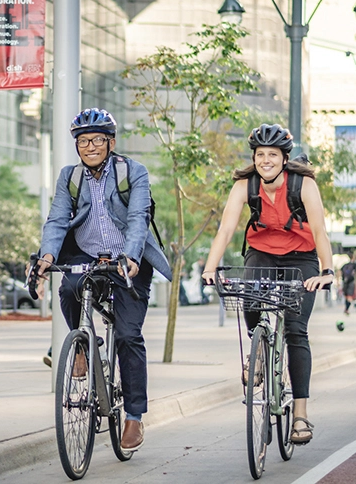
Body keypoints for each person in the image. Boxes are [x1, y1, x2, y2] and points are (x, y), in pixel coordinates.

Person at [32, 108, 172, 452]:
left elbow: (138, 218)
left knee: (127, 335)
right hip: (86, 253)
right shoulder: (70, 177)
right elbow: (57, 219)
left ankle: (134, 416)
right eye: (83, 141)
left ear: (111, 142)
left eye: (97, 139)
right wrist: (46, 257)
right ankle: (83, 345)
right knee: (69, 287)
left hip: (128, 258)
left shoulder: (132, 172)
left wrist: (132, 257)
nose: (90, 146)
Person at [202, 124, 334, 446]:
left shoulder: (303, 185)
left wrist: (327, 271)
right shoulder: (244, 186)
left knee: (296, 330)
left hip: (301, 258)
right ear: (254, 158)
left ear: (284, 159)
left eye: (272, 155)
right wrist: (209, 268)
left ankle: (300, 414)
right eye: (260, 155)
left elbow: (319, 231)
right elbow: (226, 229)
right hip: (261, 253)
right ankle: (257, 350)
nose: (265, 160)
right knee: (248, 296)